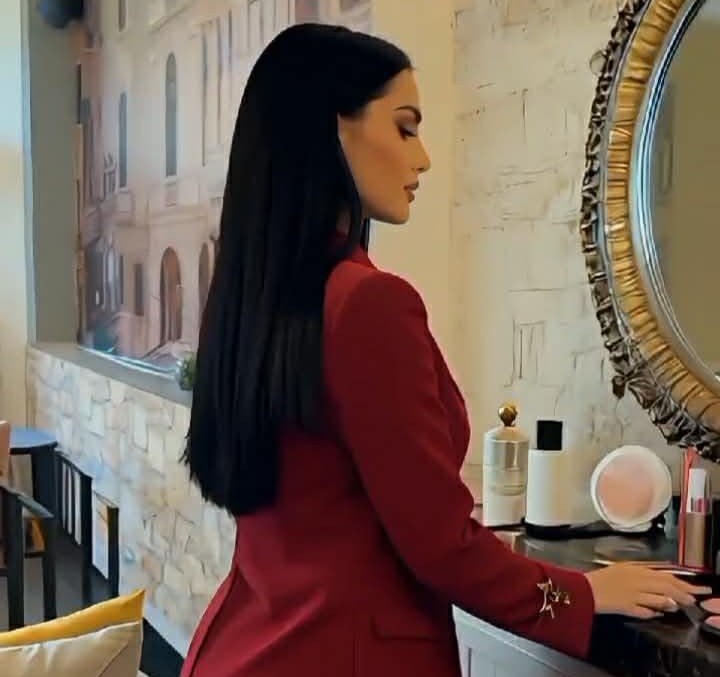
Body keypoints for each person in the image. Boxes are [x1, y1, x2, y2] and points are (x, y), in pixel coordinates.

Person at [180, 23, 709, 677]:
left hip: (243, 645)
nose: (424, 158)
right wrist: (579, 594)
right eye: (405, 128)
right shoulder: (366, 305)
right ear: (332, 129)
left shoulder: (249, 300)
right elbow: (441, 546)